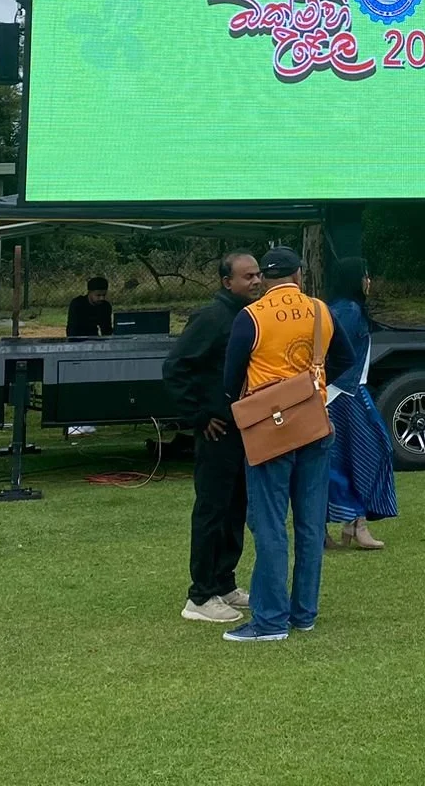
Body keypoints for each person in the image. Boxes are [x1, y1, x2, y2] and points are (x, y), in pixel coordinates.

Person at [218, 247, 356, 642]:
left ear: (265, 277)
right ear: (299, 275)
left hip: (270, 427)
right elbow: (344, 357)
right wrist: (311, 386)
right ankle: (304, 613)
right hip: (314, 423)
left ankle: (270, 620)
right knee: (311, 524)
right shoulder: (320, 310)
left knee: (269, 523)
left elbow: (230, 380)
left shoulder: (251, 316)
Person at [162, 250, 264, 623]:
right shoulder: (212, 317)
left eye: (257, 275)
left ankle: (224, 583)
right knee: (212, 510)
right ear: (227, 282)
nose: (255, 281)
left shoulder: (247, 316)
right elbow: (176, 368)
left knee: (236, 507)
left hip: (244, 429)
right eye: (247, 276)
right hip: (217, 431)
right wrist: (199, 415)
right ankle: (200, 597)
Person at [323, 256, 397, 547]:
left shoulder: (345, 309)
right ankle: (354, 521)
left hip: (346, 390)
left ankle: (350, 523)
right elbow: (331, 352)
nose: (369, 281)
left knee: (342, 457)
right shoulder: (348, 311)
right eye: (365, 275)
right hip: (343, 392)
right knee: (372, 449)